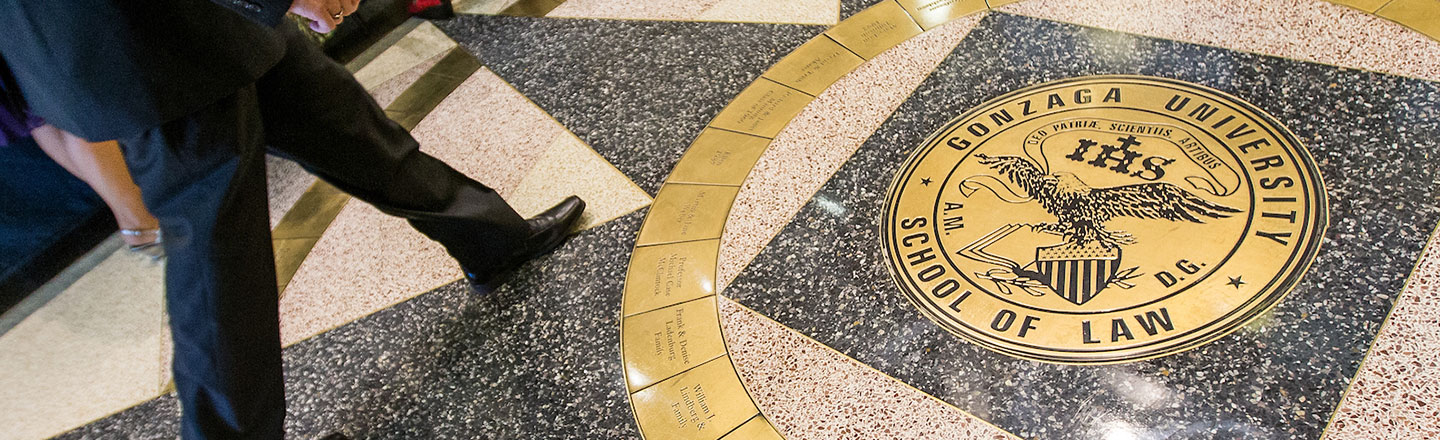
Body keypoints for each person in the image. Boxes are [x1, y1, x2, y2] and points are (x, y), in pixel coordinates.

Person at [0, 0, 586, 439]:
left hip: (209, 20)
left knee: (345, 125)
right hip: (139, 41)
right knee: (218, 263)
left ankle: (489, 238)